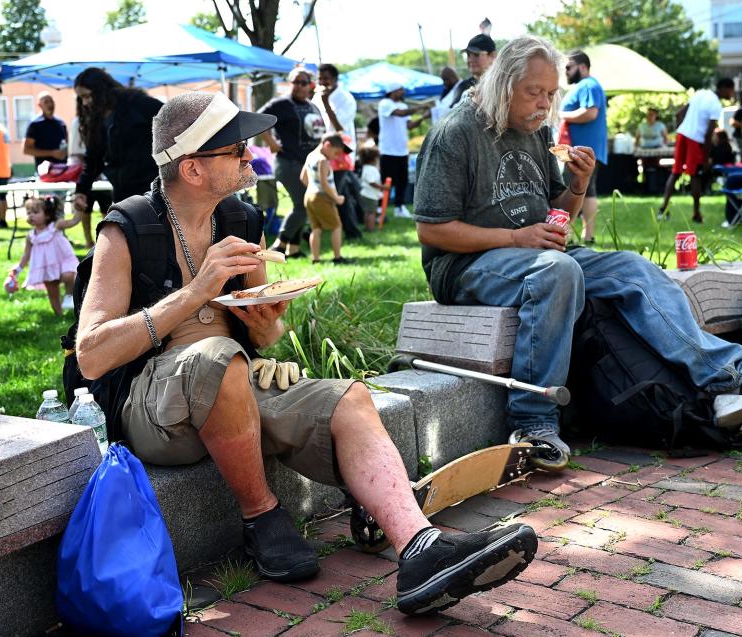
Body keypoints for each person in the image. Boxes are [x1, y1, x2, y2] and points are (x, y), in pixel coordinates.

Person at [76, 90, 537, 615]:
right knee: (216, 360)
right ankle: (262, 516)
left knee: (351, 398)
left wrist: (267, 328)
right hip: (151, 409)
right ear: (194, 168)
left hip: (231, 382)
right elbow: (91, 355)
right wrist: (197, 291)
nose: (251, 155)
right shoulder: (128, 228)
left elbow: (261, 332)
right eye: (235, 150)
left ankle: (418, 546)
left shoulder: (242, 221)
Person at [413, 35, 742, 470]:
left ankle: (730, 377)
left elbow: (556, 215)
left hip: (535, 253)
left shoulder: (535, 133)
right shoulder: (457, 132)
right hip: (466, 265)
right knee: (557, 272)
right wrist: (515, 238)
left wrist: (578, 185)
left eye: (551, 94)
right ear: (503, 84)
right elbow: (431, 230)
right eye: (535, 93)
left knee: (631, 268)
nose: (545, 105)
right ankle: (533, 425)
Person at [72, 67, 162, 234]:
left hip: (153, 189)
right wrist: (82, 190)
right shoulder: (97, 120)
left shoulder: (136, 103)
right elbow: (93, 158)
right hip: (123, 193)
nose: (84, 103)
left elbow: (171, 117)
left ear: (101, 91)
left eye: (87, 96)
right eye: (81, 98)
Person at [260, 67, 326, 258]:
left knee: (304, 205)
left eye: (303, 82)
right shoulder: (281, 103)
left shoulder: (312, 106)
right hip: (288, 162)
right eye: (295, 82)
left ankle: (294, 249)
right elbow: (260, 120)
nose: (298, 86)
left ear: (310, 85)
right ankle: (280, 245)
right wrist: (272, 143)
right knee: (303, 205)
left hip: (308, 165)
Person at [657, 78, 736, 223]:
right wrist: (706, 159)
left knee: (675, 173)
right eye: (731, 90)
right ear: (724, 88)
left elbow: (679, 114)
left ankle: (663, 209)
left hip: (682, 135)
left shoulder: (700, 94)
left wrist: (684, 129)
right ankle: (696, 213)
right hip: (695, 140)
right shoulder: (716, 105)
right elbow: (708, 134)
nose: (732, 93)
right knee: (695, 175)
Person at [560, 50, 607, 244]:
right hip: (583, 150)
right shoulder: (587, 85)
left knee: (565, 190)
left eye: (569, 67)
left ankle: (564, 235)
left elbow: (590, 113)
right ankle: (587, 237)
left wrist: (561, 115)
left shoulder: (589, 84)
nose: (566, 71)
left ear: (582, 67)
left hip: (580, 152)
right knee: (588, 191)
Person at [311, 63, 362, 241]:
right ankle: (352, 231)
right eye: (320, 79)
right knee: (341, 194)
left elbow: (340, 128)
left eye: (326, 78)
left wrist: (326, 103)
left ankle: (326, 228)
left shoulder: (346, 98)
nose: (323, 82)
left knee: (333, 192)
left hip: (342, 153)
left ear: (335, 79)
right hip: (322, 152)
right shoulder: (316, 97)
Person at [8, 196, 80, 315]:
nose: (31, 215)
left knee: (68, 275)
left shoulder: (56, 226)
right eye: (28, 212)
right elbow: (26, 254)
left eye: (35, 212)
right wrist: (18, 268)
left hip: (62, 261)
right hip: (46, 267)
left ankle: (69, 296)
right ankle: (59, 314)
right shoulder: (31, 236)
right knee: (52, 293)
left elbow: (74, 221)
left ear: (47, 215)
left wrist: (79, 210)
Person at [301, 133, 352, 264]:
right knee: (337, 226)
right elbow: (324, 183)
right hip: (322, 197)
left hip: (309, 196)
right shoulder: (323, 160)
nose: (336, 157)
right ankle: (337, 257)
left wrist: (313, 188)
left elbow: (303, 178)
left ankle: (315, 259)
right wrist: (336, 198)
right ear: (327, 145)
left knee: (316, 229)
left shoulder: (310, 156)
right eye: (336, 153)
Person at [378, 84, 427, 218]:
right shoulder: (385, 103)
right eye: (400, 90)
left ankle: (399, 208)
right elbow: (399, 114)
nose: (402, 92)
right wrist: (420, 107)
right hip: (388, 150)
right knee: (386, 181)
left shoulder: (404, 106)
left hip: (402, 150)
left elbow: (409, 126)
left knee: (402, 181)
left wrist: (423, 117)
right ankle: (379, 207)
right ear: (391, 91)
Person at [67, 114, 113, 248]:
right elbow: (76, 153)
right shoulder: (78, 122)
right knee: (86, 209)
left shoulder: (102, 122)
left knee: (106, 208)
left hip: (101, 173)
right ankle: (89, 240)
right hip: (87, 173)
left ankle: (107, 241)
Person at [23, 92, 68, 169]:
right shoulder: (35, 124)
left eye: (51, 101)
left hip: (62, 168)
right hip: (44, 171)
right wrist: (52, 153)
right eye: (46, 102)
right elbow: (26, 149)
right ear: (40, 105)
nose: (50, 104)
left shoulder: (61, 123)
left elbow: (67, 143)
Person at [451, 34, 497, 108]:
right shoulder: (463, 87)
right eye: (468, 55)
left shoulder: (501, 85)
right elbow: (452, 114)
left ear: (492, 55)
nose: (470, 60)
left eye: (476, 54)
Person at [358, 145, 387, 231]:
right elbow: (372, 182)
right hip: (370, 195)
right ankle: (370, 228)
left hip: (366, 194)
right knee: (372, 212)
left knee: (367, 212)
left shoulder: (366, 167)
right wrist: (383, 187)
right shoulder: (371, 169)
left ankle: (367, 227)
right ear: (373, 159)